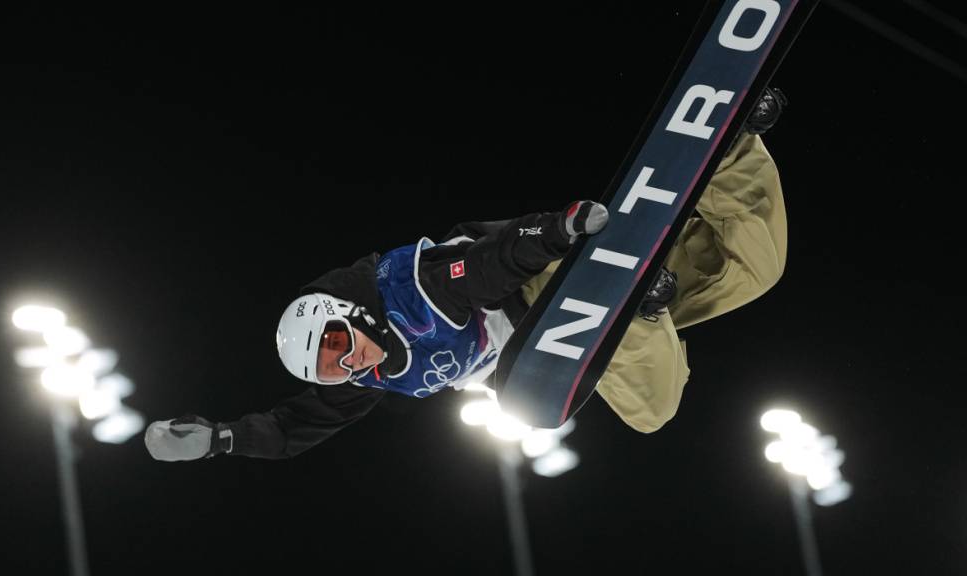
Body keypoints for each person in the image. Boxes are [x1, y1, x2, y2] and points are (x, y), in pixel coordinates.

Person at [145, 88, 790, 462]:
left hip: (535, 291)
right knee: (754, 271)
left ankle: (633, 306)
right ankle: (731, 149)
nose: (350, 364)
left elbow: (490, 264)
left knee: (654, 408)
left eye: (339, 346)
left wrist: (557, 230)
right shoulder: (370, 377)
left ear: (345, 316)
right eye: (334, 370)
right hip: (542, 348)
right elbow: (295, 426)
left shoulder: (408, 293)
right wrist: (220, 440)